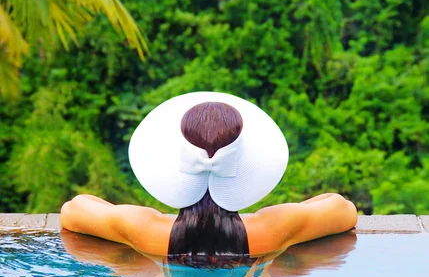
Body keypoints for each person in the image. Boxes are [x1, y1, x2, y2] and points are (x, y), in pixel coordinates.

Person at [60, 91, 357, 261]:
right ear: (245, 163)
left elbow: (73, 210)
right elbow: (342, 208)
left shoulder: (144, 228)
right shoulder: (274, 227)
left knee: (131, 267)